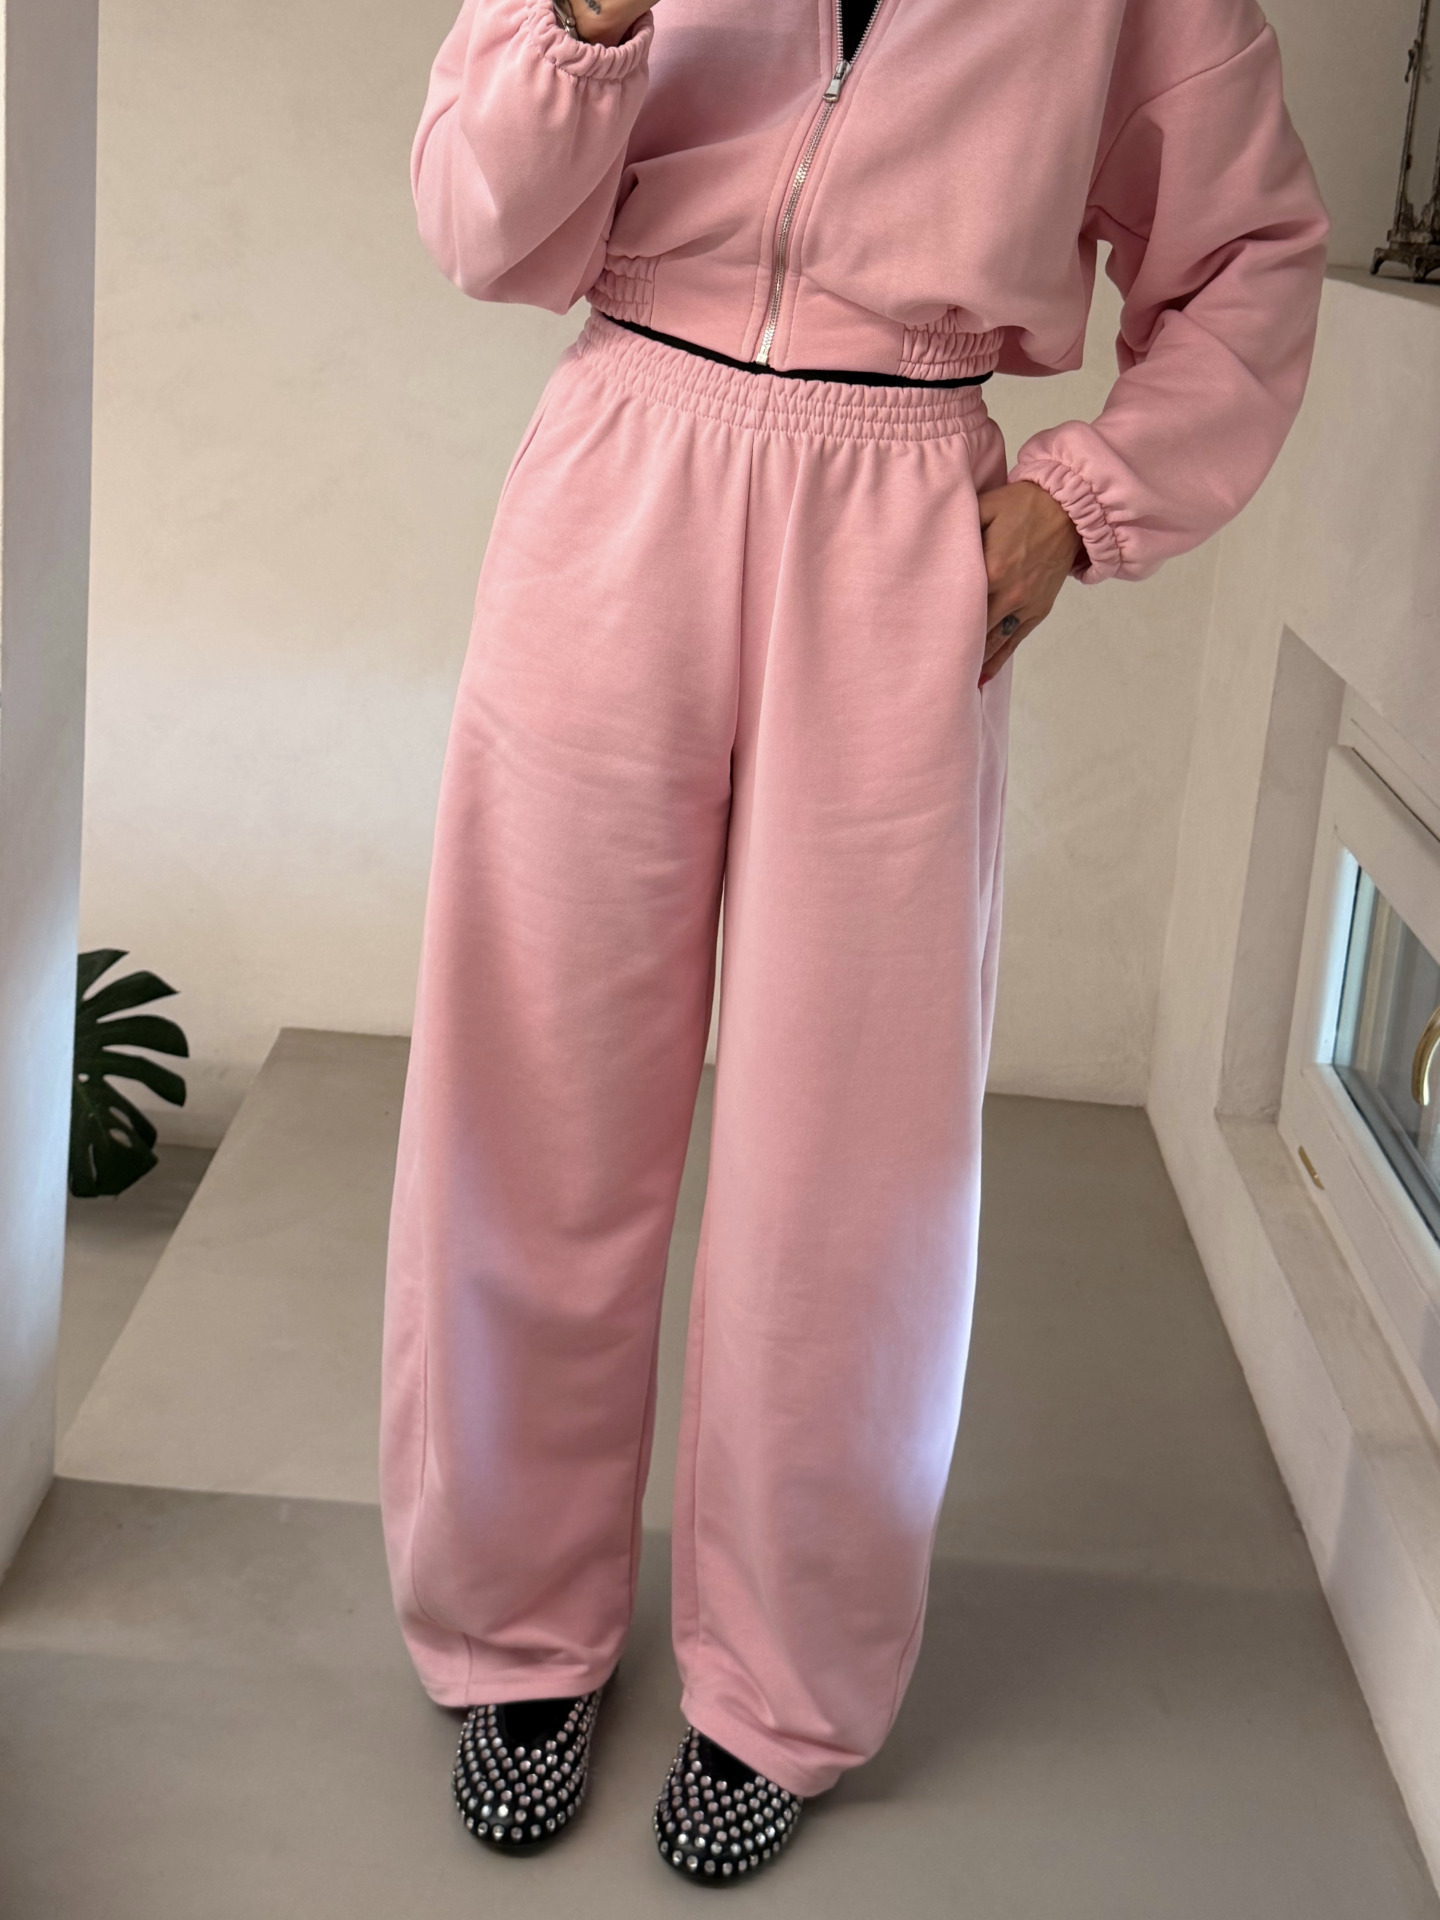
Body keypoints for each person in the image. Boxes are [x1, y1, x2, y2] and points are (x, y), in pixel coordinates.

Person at [381, 0, 1328, 1885]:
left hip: (903, 513)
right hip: (622, 465)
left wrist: (1077, 502)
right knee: (532, 1089)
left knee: (854, 1157)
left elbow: (1251, 256)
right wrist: (587, 27)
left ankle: (783, 1685)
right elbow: (480, 227)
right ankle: (515, 1634)